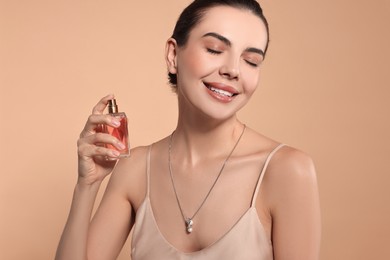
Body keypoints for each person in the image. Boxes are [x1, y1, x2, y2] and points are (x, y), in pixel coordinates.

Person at [55, 0, 321, 259]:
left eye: (251, 61)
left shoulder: (286, 170)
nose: (233, 70)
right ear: (173, 55)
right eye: (215, 49)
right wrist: (87, 186)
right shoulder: (134, 169)